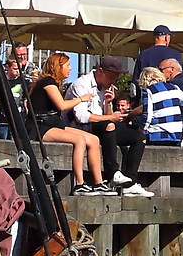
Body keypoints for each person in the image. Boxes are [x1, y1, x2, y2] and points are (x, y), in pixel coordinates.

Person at [30, 53, 108, 195]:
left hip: (54, 123)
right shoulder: (48, 82)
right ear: (58, 67)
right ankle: (79, 184)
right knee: (79, 140)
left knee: (93, 139)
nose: (70, 69)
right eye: (67, 66)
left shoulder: (54, 83)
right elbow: (62, 105)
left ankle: (98, 183)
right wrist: (81, 99)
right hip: (41, 126)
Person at [70, 58, 150, 195]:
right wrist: (110, 117)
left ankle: (130, 180)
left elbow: (105, 116)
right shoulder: (82, 84)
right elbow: (81, 116)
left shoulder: (106, 88)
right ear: (101, 71)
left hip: (101, 125)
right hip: (81, 127)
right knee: (109, 125)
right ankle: (112, 173)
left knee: (139, 137)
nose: (114, 81)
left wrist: (108, 103)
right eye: (112, 77)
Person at [142, 60, 183, 148]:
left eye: (161, 69)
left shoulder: (171, 85)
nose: (160, 73)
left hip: (160, 135)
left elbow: (148, 114)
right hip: (179, 134)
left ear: (172, 69)